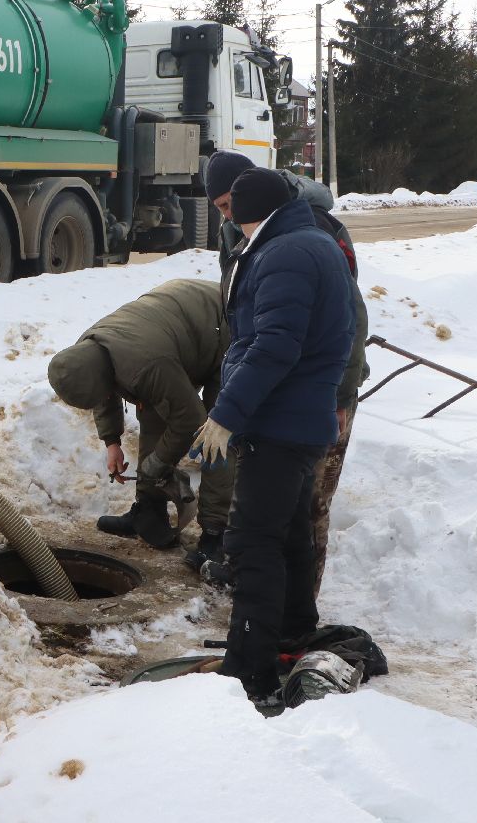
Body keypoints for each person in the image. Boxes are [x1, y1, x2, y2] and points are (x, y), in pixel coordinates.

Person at [190, 167, 357, 707]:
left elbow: (275, 346)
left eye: (228, 212)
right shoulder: (308, 240)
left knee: (252, 542)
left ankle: (250, 667)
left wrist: (227, 413)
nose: (228, 223)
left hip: (280, 421)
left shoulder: (283, 253)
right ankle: (291, 632)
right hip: (298, 418)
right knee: (287, 534)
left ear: (245, 212)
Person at [204, 150, 369, 593]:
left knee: (309, 505)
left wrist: (340, 396)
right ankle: (260, 592)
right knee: (267, 505)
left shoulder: (308, 230)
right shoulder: (239, 232)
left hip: (320, 392)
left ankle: (299, 602)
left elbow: (349, 321)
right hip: (273, 393)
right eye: (221, 207)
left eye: (232, 204)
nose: (231, 216)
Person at [47, 278, 230, 552]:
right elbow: (102, 391)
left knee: (219, 430)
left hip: (223, 324)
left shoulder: (148, 365)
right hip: (173, 325)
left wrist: (160, 461)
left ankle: (216, 533)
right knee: (154, 408)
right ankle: (149, 511)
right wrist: (112, 442)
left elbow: (192, 419)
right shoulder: (85, 352)